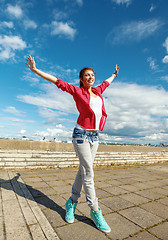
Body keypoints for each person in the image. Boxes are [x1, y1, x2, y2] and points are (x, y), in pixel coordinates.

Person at [26, 55, 119, 233]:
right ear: (81, 79)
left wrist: (114, 75)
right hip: (81, 135)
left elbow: (107, 82)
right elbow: (57, 81)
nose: (90, 77)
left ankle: (72, 202)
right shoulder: (77, 91)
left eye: (92, 75)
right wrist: (35, 70)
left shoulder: (98, 91)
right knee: (89, 173)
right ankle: (95, 211)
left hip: (95, 137)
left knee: (83, 170)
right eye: (87, 75)